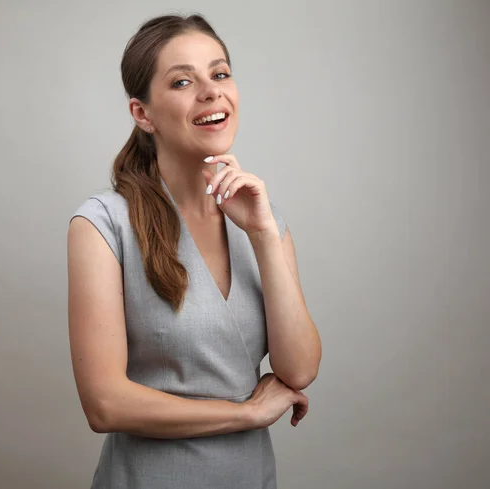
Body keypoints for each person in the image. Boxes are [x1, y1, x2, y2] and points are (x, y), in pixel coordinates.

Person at [67, 13, 322, 489]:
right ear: (143, 114)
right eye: (183, 81)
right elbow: (104, 404)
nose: (211, 91)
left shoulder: (265, 218)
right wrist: (245, 413)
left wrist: (264, 235)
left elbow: (299, 368)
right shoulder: (102, 224)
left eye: (220, 74)